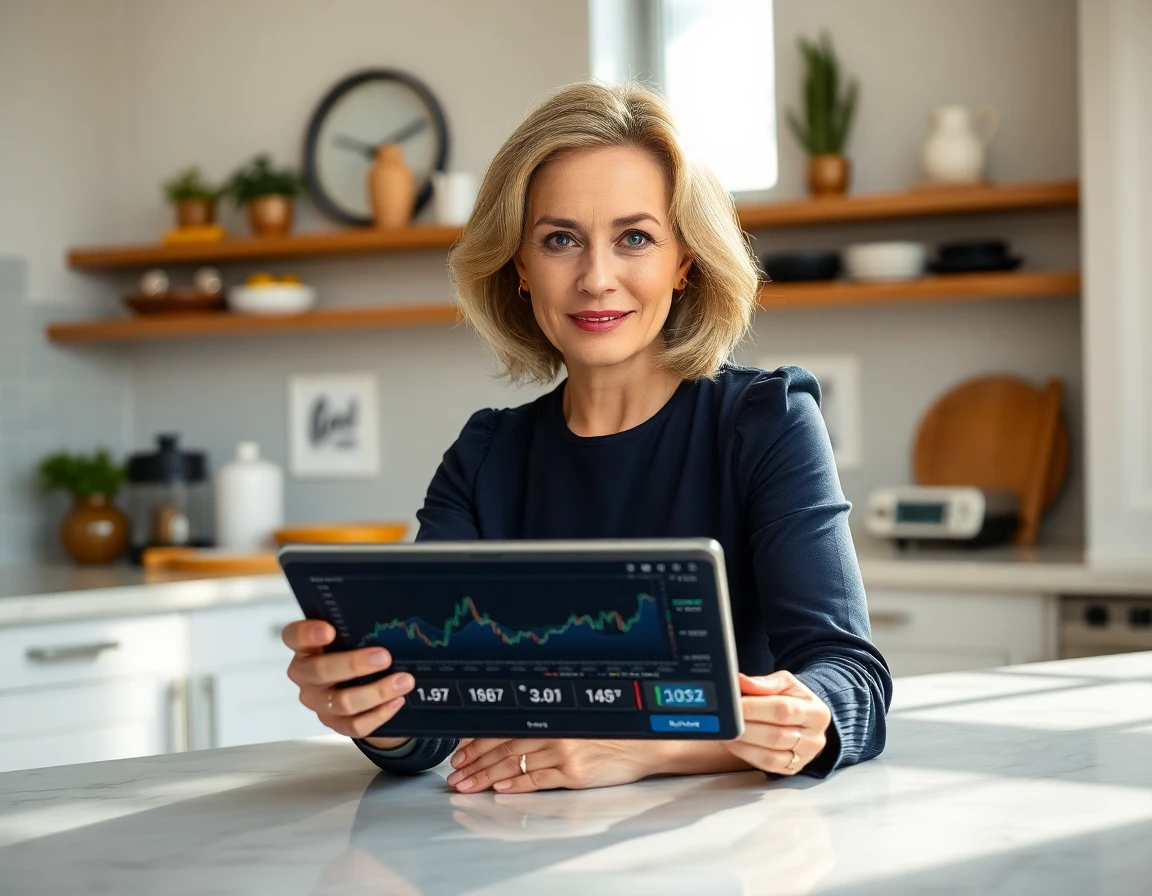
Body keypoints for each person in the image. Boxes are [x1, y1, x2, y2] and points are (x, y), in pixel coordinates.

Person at [282, 79, 892, 792]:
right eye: (560, 239)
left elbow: (851, 689)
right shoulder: (484, 457)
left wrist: (644, 747)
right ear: (520, 266)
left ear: (684, 260)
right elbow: (429, 719)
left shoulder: (769, 420)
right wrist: (369, 705)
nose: (596, 278)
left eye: (635, 237)